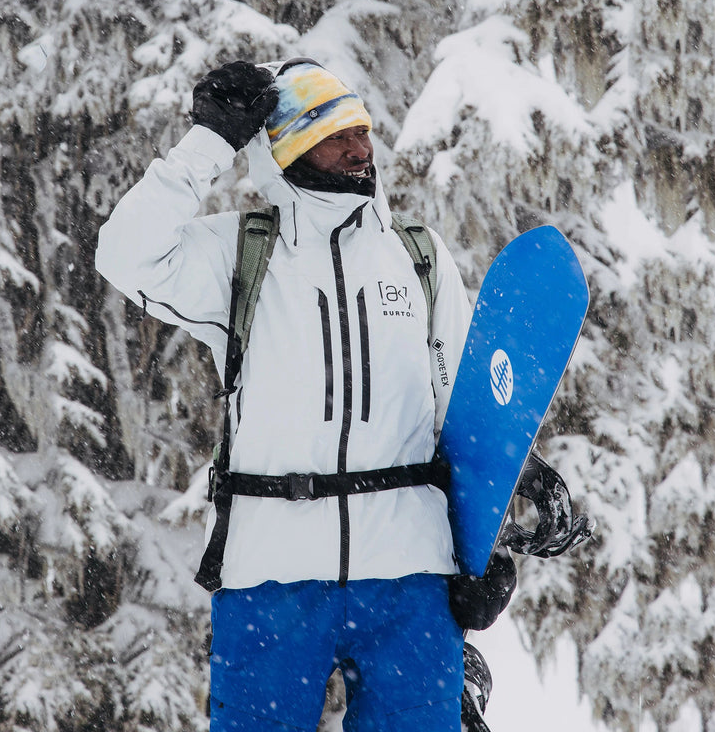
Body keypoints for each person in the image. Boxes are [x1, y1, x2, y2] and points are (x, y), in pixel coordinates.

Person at [95, 58, 514, 731]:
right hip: (271, 582)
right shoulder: (241, 256)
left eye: (362, 132)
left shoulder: (419, 256)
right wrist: (209, 142)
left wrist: (486, 547)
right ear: (287, 147)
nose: (357, 148)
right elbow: (125, 253)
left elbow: (464, 416)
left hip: (408, 580)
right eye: (332, 134)